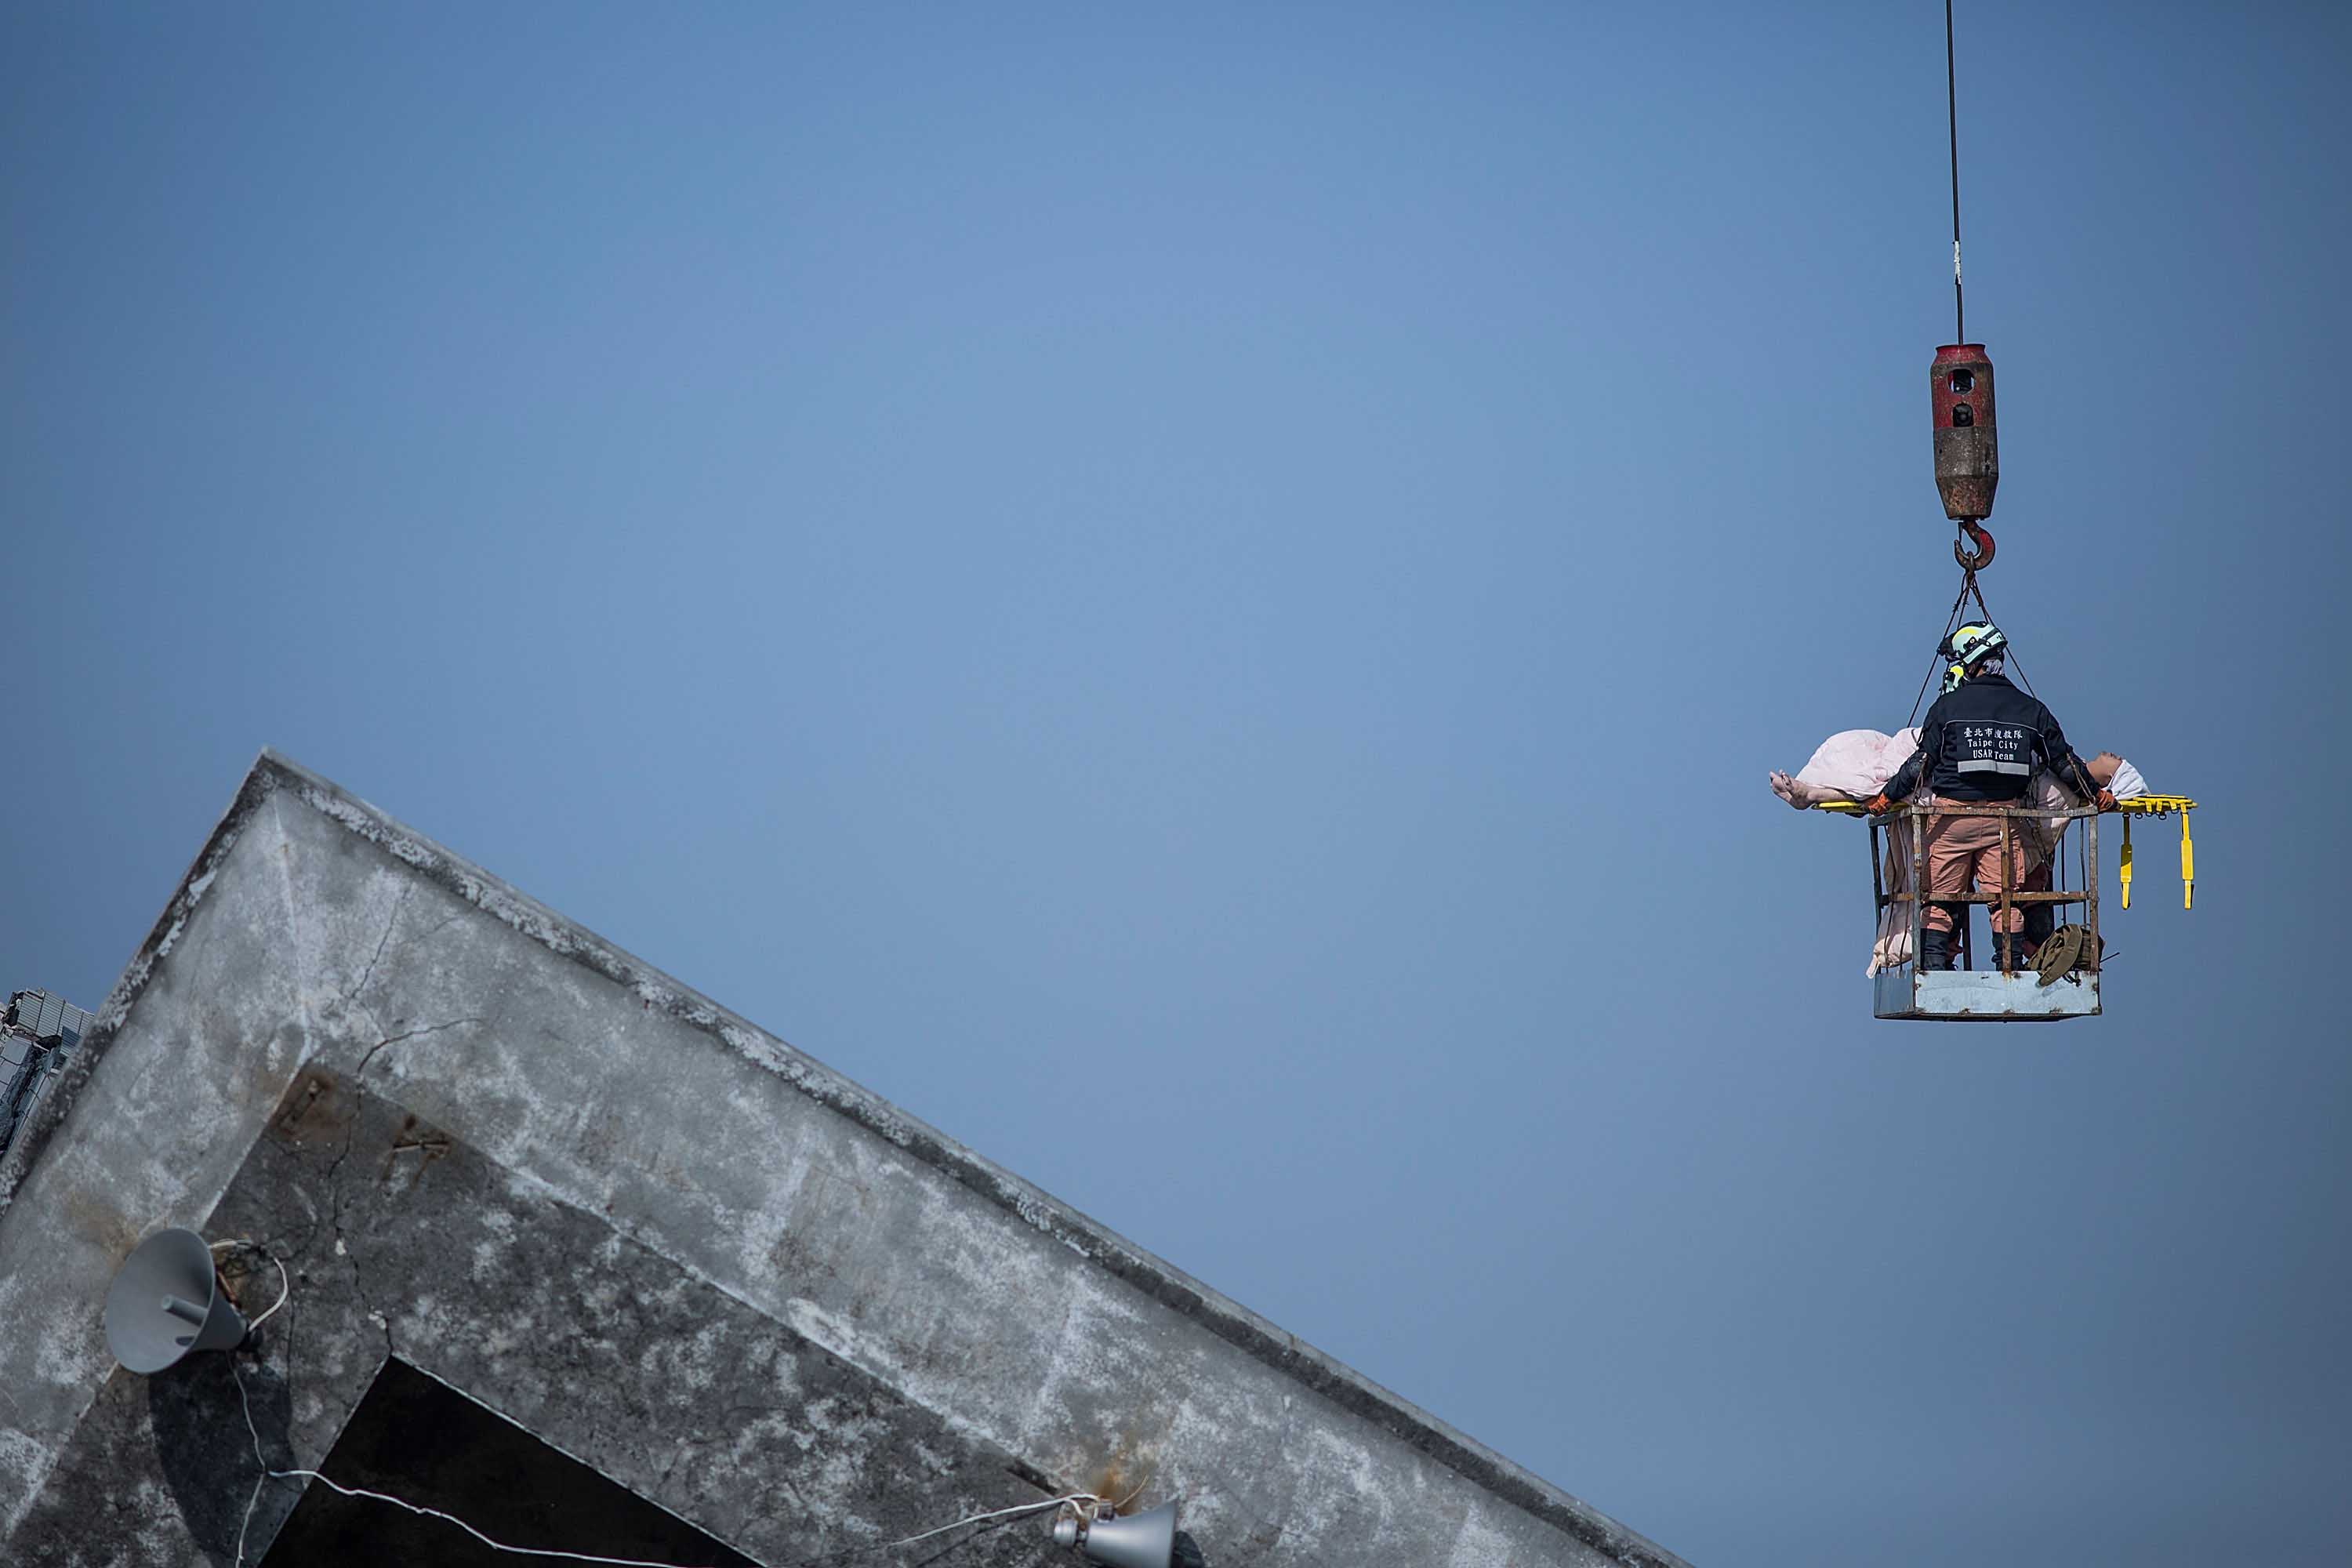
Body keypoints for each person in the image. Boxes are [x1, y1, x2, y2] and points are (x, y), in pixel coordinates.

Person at [1862, 622, 2115, 971]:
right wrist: (2096, 793)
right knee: (2006, 903)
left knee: (1939, 902)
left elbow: (1921, 764)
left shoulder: (1948, 708)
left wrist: (1885, 797)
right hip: (2005, 824)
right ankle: (2009, 972)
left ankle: (1934, 973)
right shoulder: (2032, 711)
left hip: (1952, 823)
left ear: (1969, 663)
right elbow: (2063, 763)